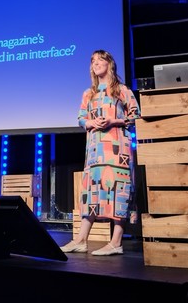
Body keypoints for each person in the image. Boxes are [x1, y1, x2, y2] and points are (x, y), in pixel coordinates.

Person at [60, 49, 140, 256]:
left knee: (118, 191)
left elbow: (136, 115)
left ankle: (116, 242)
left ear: (110, 63)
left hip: (117, 147)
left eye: (100, 59)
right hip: (95, 150)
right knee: (91, 194)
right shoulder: (89, 93)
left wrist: (114, 120)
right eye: (92, 61)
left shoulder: (122, 90)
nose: (95, 63)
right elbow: (80, 118)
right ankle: (80, 240)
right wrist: (91, 122)